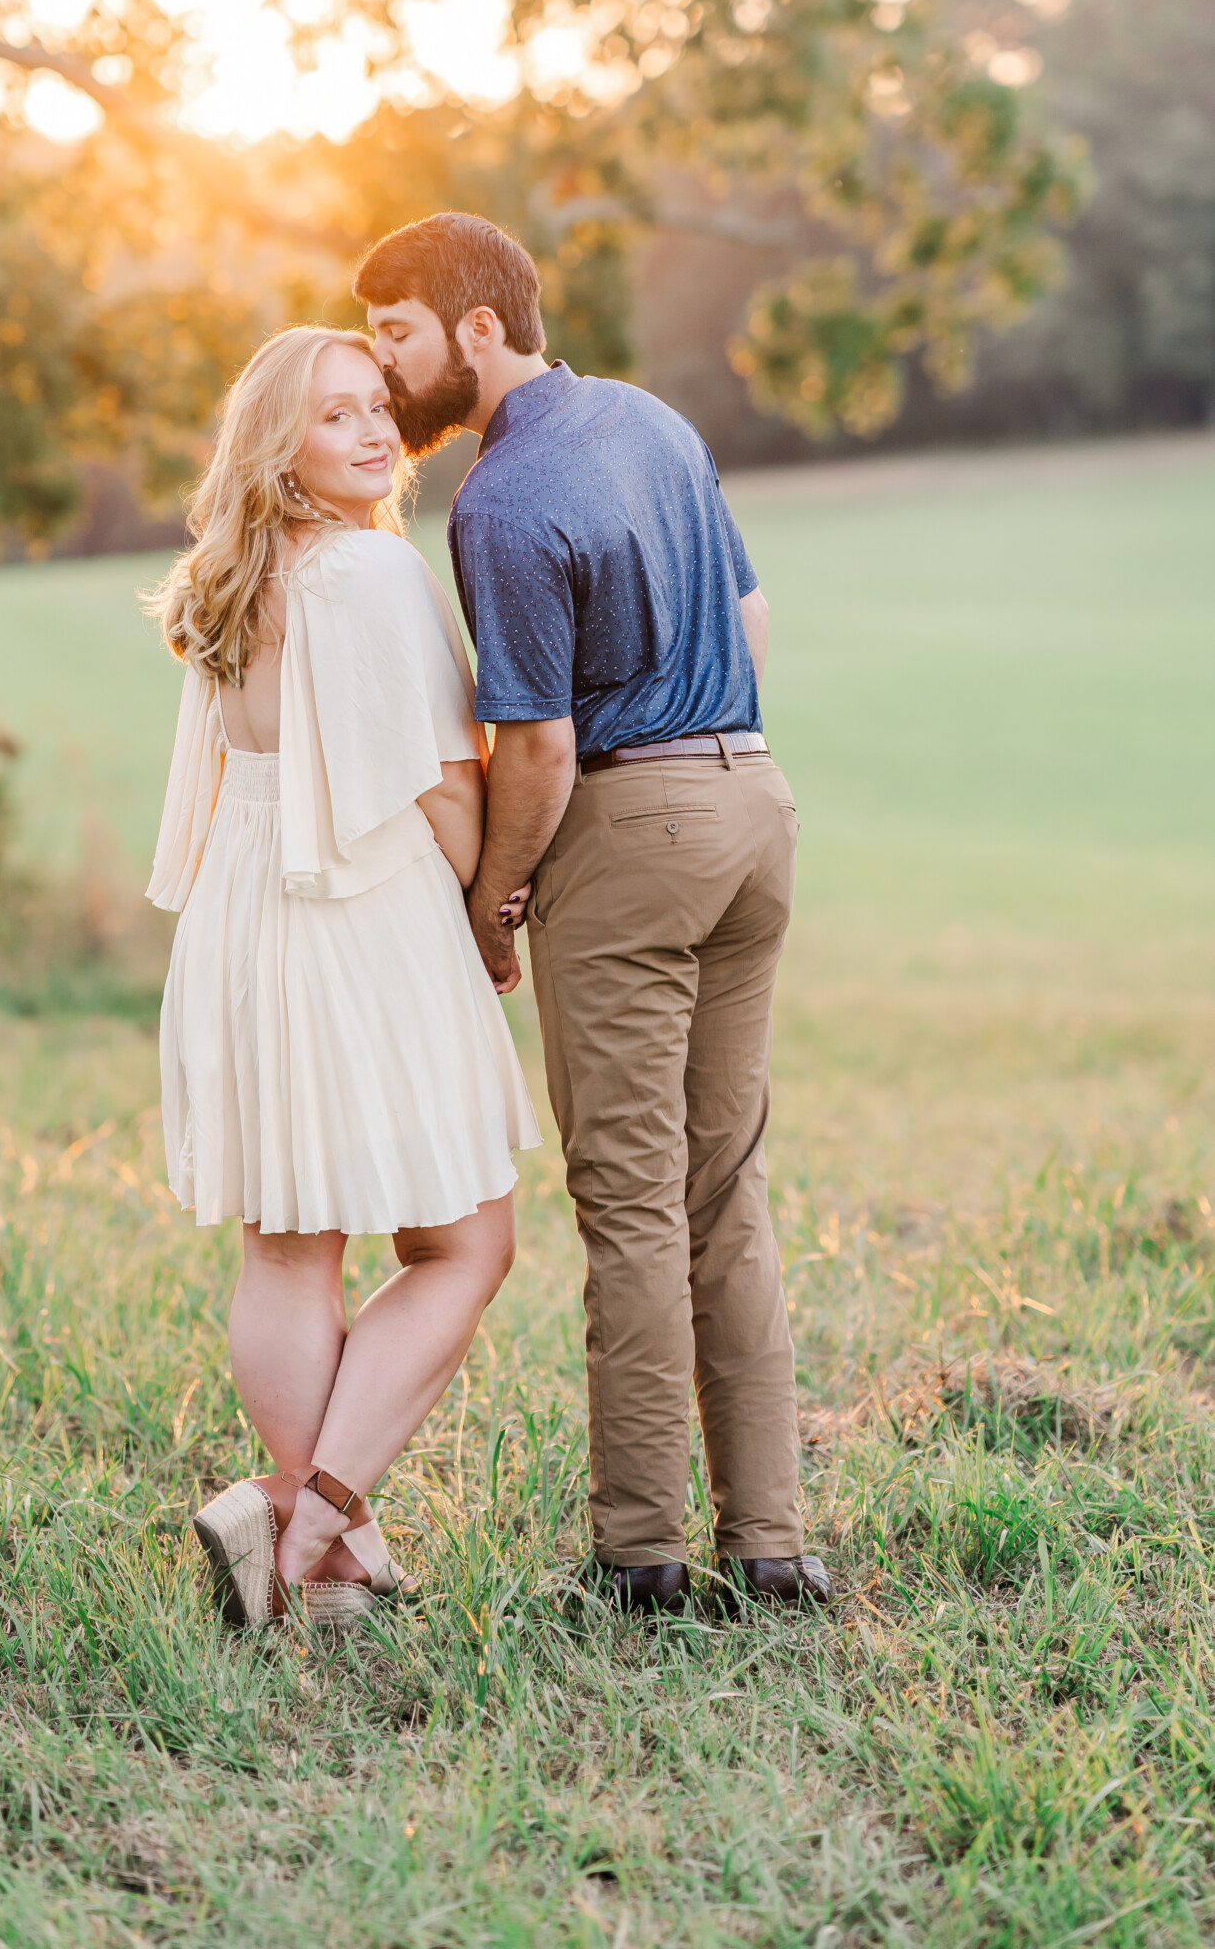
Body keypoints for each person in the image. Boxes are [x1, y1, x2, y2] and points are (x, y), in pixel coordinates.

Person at [355, 213, 831, 1618]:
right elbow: (747, 621)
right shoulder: (652, 421)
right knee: (723, 1191)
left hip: (631, 834)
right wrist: (710, 757)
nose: (385, 372)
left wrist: (493, 902)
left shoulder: (499, 500)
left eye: (397, 335)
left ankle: (639, 1561)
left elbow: (541, 745)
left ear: (478, 329)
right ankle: (775, 1546)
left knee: (628, 1206)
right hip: (754, 808)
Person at [147, 324, 541, 1626]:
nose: (375, 434)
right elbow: (442, 777)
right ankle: (307, 1524)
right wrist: (494, 920)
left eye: (379, 408)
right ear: (281, 444)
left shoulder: (229, 575)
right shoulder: (369, 571)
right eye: (335, 418)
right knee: (467, 1243)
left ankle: (315, 1557)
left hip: (245, 909)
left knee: (288, 1247)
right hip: (361, 911)